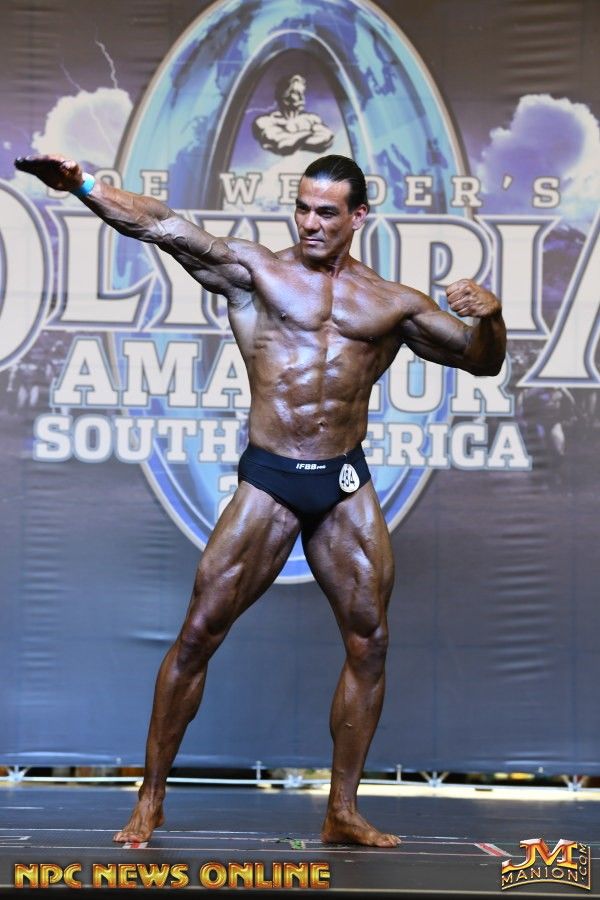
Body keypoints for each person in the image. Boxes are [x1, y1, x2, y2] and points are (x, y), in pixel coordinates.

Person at [15, 153, 506, 848]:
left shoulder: (391, 304)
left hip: (342, 484)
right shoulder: (256, 273)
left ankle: (342, 810)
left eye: (327, 212)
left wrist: (493, 318)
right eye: (302, 207)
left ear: (359, 216)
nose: (310, 222)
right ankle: (150, 798)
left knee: (370, 642)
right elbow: (162, 225)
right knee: (198, 633)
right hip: (271, 478)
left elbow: (481, 360)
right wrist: (85, 187)